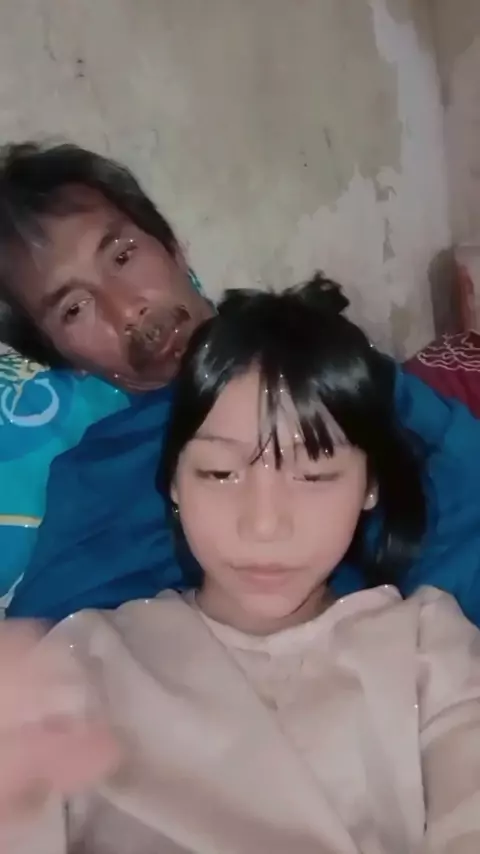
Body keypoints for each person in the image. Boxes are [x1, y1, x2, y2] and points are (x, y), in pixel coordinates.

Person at [1, 279, 480, 853]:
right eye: (220, 473)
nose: (264, 525)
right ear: (174, 482)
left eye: (314, 475)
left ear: (369, 486)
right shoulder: (83, 662)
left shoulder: (429, 646)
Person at [1, 142, 480, 624]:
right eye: (74, 309)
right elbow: (40, 651)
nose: (127, 310)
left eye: (123, 256)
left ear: (173, 248)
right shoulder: (100, 484)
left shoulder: (333, 367)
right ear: (63, 358)